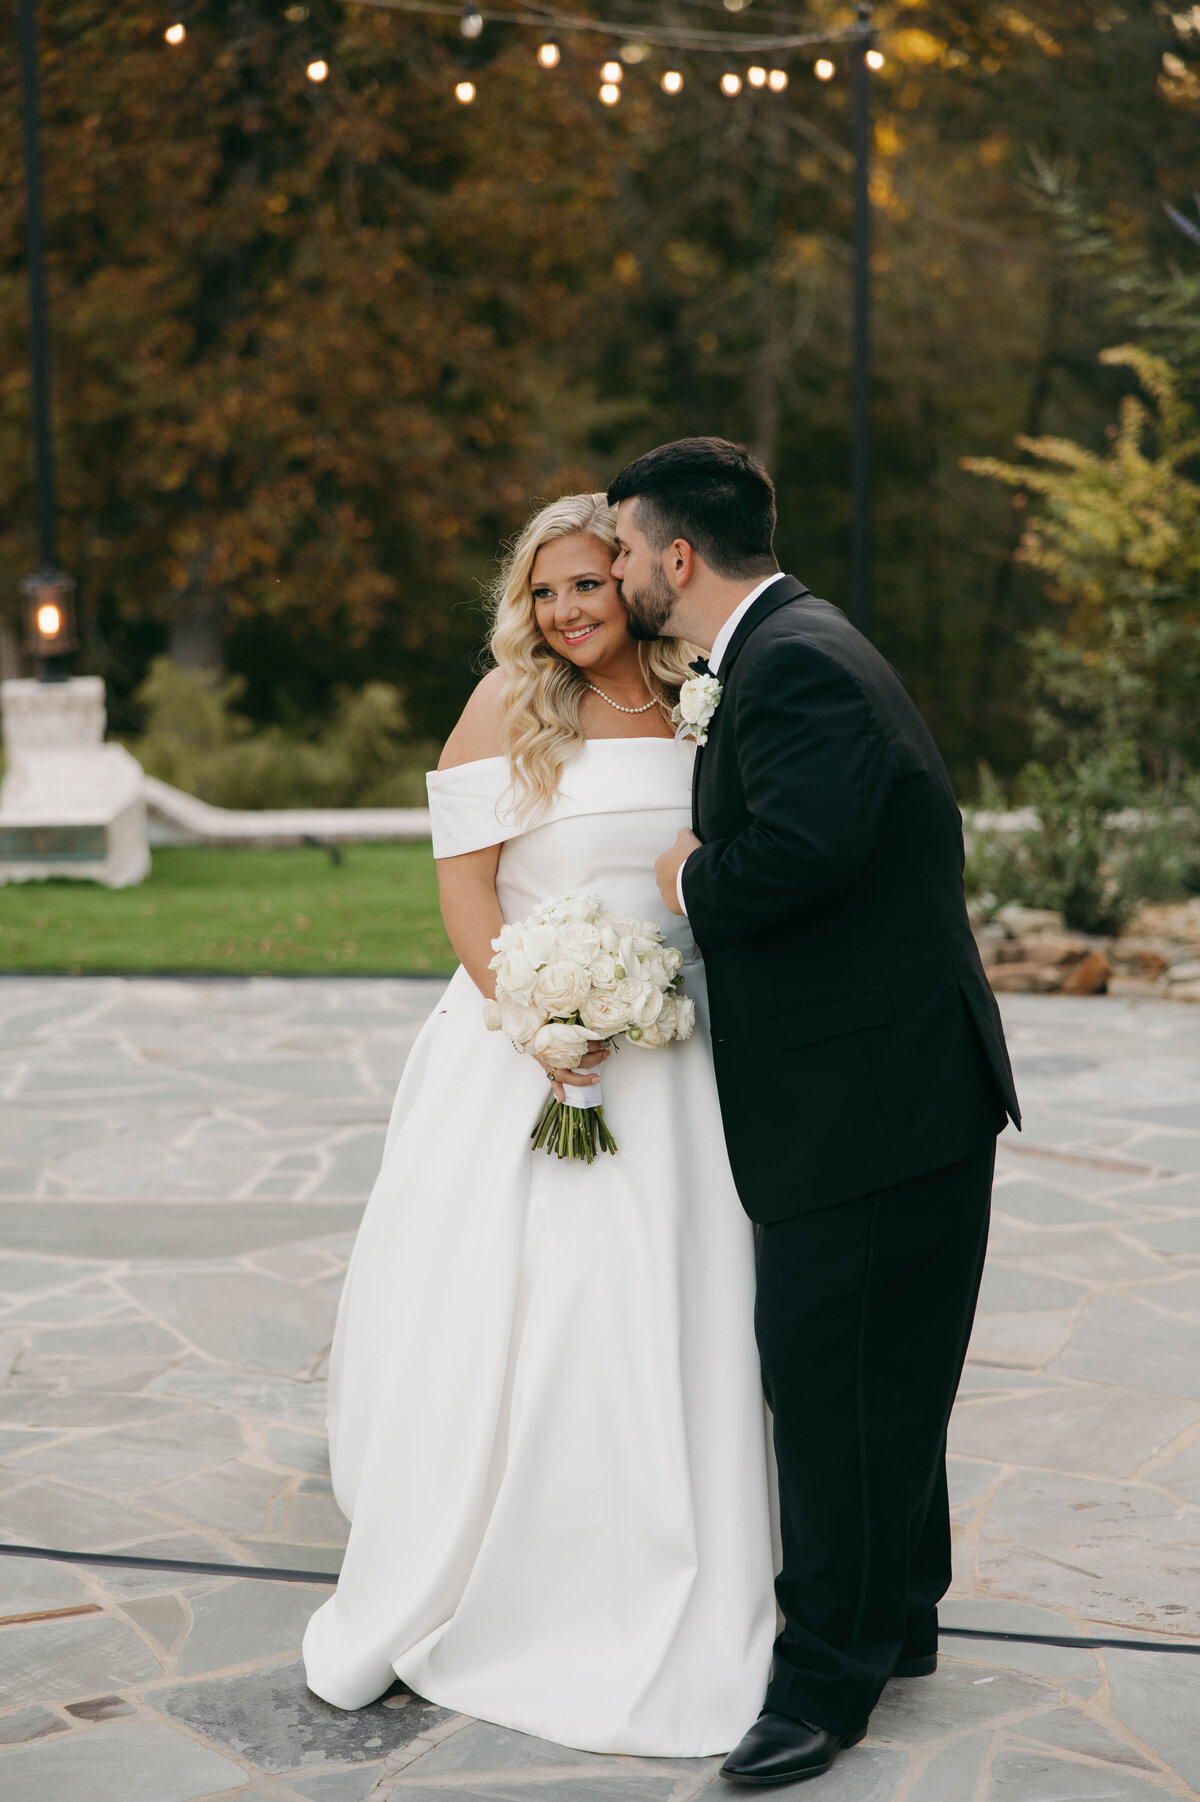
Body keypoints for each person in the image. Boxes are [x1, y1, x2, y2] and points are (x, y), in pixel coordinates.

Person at [302, 492, 778, 1756]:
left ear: (634, 583)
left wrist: (632, 1006)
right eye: (546, 590)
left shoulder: (695, 700)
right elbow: (465, 896)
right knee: (541, 1305)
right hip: (527, 1047)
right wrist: (542, 1020)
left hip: (676, 1051)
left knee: (675, 1303)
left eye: (590, 585)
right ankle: (515, 1553)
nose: (568, 611)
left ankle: (664, 1543)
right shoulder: (506, 710)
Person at [607, 437, 1021, 1787]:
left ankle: (822, 1686)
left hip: (871, 1095)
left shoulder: (791, 667)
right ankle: (899, 1614)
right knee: (882, 1368)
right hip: (895, 1081)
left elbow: (799, 854)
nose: (613, 573)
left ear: (678, 555)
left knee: (829, 1377)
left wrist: (686, 872)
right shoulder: (801, 641)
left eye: (623, 550)